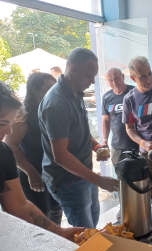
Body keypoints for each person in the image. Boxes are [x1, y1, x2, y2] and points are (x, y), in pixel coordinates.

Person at [38, 47, 119, 229]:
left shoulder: (76, 93)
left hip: (84, 174)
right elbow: (60, 156)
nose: (92, 82)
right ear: (73, 69)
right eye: (89, 76)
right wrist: (99, 180)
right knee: (84, 233)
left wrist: (97, 146)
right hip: (67, 181)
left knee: (93, 222)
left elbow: (80, 129)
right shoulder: (56, 104)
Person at [0, 80, 83, 240]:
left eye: (11, 123)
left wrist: (59, 232)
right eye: (3, 123)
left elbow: (19, 204)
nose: (9, 130)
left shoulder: (4, 153)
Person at [4, 73, 63, 225]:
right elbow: (10, 144)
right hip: (34, 174)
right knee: (42, 214)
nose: (54, 91)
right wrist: (31, 172)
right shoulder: (24, 116)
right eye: (49, 88)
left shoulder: (53, 110)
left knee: (56, 212)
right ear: (35, 90)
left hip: (53, 174)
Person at [102, 67, 138, 221]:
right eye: (110, 80)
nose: (114, 82)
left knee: (139, 177)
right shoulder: (107, 97)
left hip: (136, 145)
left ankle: (141, 206)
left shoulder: (135, 92)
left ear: (123, 77)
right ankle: (124, 207)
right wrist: (104, 140)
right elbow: (106, 120)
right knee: (121, 180)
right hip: (117, 147)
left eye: (117, 78)